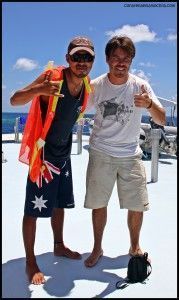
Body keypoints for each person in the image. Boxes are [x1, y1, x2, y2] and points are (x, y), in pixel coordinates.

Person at [10, 36, 95, 284]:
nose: (82, 62)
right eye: (77, 57)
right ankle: (30, 261)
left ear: (92, 61)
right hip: (44, 156)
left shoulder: (87, 83)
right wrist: (39, 90)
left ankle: (59, 245)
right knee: (32, 209)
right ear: (67, 58)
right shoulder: (53, 77)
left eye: (87, 57)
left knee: (59, 203)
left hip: (64, 154)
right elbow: (14, 99)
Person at [84, 36, 166, 267]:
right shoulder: (97, 86)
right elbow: (76, 111)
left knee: (137, 204)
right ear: (108, 59)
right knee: (98, 204)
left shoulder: (141, 86)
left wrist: (149, 104)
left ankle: (134, 245)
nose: (121, 63)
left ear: (131, 60)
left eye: (126, 58)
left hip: (131, 154)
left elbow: (161, 118)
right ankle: (97, 247)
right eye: (116, 58)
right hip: (100, 152)